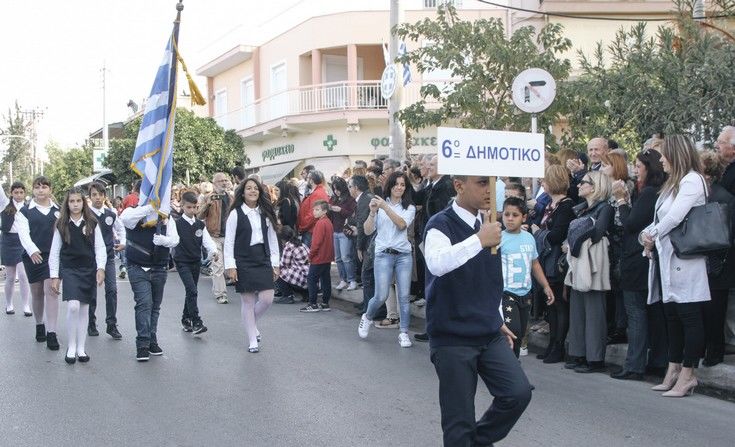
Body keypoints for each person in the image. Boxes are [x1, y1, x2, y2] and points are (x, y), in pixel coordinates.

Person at [423, 174, 531, 446]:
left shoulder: (490, 226)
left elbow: (489, 279)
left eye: (492, 184)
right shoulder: (440, 224)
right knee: (458, 423)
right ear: (459, 186)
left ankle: (477, 441)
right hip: (452, 338)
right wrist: (478, 240)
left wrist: (495, 319)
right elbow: (436, 264)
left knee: (517, 393)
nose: (490, 190)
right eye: (482, 183)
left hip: (487, 332)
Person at [641, 135, 709, 397]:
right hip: (666, 257)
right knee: (672, 316)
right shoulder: (673, 184)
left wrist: (652, 234)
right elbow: (658, 218)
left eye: (664, 155)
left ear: (675, 154)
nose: (661, 160)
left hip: (686, 260)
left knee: (689, 316)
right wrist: (645, 236)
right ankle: (673, 369)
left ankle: (689, 374)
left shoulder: (693, 180)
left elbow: (675, 217)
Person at [610, 149, 667, 380]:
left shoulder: (650, 193)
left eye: (638, 165)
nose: (635, 169)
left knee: (636, 312)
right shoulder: (654, 192)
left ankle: (634, 365)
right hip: (643, 258)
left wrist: (622, 200)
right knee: (651, 312)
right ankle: (656, 361)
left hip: (637, 259)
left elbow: (630, 224)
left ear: (648, 167)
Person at [357, 171, 416, 348]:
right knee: (381, 295)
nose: (399, 187)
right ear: (390, 186)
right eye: (396, 184)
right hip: (383, 254)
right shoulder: (379, 204)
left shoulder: (409, 207)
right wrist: (373, 212)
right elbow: (368, 230)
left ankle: (404, 333)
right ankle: (367, 317)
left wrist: (385, 208)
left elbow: (401, 225)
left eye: (403, 185)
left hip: (403, 255)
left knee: (404, 296)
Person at [48, 187, 106, 364]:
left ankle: (81, 348)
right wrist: (55, 276)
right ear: (67, 203)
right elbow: (54, 251)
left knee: (84, 309)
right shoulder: (61, 224)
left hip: (87, 269)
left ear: (83, 202)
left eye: (78, 201)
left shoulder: (92, 222)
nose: (75, 204)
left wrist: (100, 268)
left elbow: (100, 247)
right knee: (73, 306)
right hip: (70, 269)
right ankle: (71, 346)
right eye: (72, 201)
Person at [564, 170, 614, 373]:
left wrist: (573, 241)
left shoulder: (605, 208)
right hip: (579, 262)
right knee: (578, 311)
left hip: (594, 264)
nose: (578, 185)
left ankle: (594, 358)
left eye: (583, 182)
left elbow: (597, 233)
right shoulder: (584, 209)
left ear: (595, 186)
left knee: (594, 312)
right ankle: (579, 354)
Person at [224, 178, 280, 353]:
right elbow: (229, 242)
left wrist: (275, 263)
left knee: (267, 299)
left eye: (255, 188)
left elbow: (272, 239)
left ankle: (251, 323)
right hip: (243, 260)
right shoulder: (235, 214)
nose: (253, 191)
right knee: (248, 302)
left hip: (262, 258)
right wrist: (231, 266)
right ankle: (252, 340)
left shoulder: (265, 212)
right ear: (242, 192)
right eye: (249, 188)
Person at [120, 202, 180, 362]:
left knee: (155, 306)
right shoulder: (132, 212)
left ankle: (152, 339)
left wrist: (163, 241)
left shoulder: (166, 216)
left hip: (159, 266)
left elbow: (175, 239)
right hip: (137, 266)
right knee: (144, 303)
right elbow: (125, 219)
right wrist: (149, 208)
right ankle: (142, 344)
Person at [500, 197, 555, 358]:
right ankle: (507, 363)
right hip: (506, 293)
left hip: (525, 294)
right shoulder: (498, 238)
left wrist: (545, 286)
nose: (509, 218)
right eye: (506, 214)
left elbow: (535, 263)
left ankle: (514, 363)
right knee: (512, 330)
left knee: (521, 332)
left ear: (524, 217)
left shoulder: (529, 238)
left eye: (515, 215)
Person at [532, 165, 575, 363]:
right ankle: (552, 344)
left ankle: (558, 346)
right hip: (546, 258)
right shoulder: (550, 204)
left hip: (556, 261)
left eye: (545, 179)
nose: (542, 183)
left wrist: (537, 231)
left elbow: (557, 235)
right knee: (551, 304)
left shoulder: (566, 206)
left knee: (558, 303)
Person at [413, 155, 457, 342]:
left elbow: (442, 215)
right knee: (433, 285)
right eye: (427, 164)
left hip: (439, 240)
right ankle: (434, 327)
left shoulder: (445, 186)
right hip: (428, 238)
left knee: (439, 286)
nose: (428, 167)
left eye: (432, 164)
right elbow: (417, 199)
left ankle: (439, 328)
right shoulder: (431, 184)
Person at [16, 176, 61, 350]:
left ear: (50, 189)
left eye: (44, 187)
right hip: (33, 256)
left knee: (51, 291)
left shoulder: (58, 210)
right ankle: (39, 324)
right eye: (37, 187)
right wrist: (32, 250)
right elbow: (23, 234)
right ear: (33, 190)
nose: (41, 190)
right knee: (37, 293)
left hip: (53, 256)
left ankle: (52, 332)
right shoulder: (25, 211)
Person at [699, 151, 734, 368]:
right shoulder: (710, 194)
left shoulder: (722, 198)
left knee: (714, 309)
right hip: (711, 260)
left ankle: (714, 349)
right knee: (709, 308)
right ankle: (709, 347)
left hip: (719, 261)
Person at [601, 152, 634, 345]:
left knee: (620, 286)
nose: (604, 168)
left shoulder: (624, 186)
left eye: (607, 165)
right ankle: (615, 325)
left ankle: (621, 327)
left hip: (620, 240)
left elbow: (623, 216)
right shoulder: (609, 187)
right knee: (614, 287)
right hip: (611, 241)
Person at [85, 182, 125, 339]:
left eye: (100, 194)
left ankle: (111, 324)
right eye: (94, 195)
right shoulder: (86, 214)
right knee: (91, 292)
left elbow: (121, 229)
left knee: (112, 290)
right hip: (90, 258)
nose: (97, 198)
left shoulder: (110, 214)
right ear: (90, 197)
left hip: (108, 257)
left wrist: (123, 242)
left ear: (104, 196)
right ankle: (90, 322)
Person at [175, 191, 218, 335]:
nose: (192, 210)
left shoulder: (200, 224)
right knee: (192, 290)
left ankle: (185, 319)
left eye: (195, 207)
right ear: (182, 206)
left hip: (195, 262)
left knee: (191, 291)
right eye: (189, 207)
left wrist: (213, 252)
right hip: (182, 262)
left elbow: (207, 241)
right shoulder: (176, 224)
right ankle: (196, 321)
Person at [198, 172, 232, 304]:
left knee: (226, 266)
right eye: (220, 181)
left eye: (225, 180)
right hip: (213, 236)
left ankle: (218, 288)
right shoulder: (207, 198)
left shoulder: (231, 197)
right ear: (214, 184)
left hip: (228, 237)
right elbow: (200, 216)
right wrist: (208, 204)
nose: (224, 183)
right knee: (218, 266)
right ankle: (221, 294)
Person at [0, 181, 31, 317]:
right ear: (11, 193)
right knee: (11, 276)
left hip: (22, 241)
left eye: (21, 192)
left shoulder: (28, 207)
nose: (18, 195)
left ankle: (26, 305)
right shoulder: (5, 204)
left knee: (23, 275)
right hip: (8, 241)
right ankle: (9, 304)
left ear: (24, 193)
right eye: (16, 192)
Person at [300, 201, 334, 312]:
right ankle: (325, 303)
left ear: (324, 211)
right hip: (327, 257)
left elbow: (316, 243)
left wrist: (310, 256)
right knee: (325, 280)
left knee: (311, 279)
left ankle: (313, 303)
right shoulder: (328, 222)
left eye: (317, 210)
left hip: (318, 257)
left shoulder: (320, 223)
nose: (314, 211)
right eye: (314, 209)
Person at [349, 175, 375, 313]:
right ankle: (366, 302)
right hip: (369, 242)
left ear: (356, 187)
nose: (349, 189)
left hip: (369, 243)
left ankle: (369, 308)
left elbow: (362, 225)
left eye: (350, 186)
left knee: (367, 276)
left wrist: (359, 247)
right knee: (367, 276)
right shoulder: (365, 198)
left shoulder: (365, 200)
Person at [329, 177, 357, 291]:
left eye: (338, 189)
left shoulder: (350, 199)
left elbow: (352, 214)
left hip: (345, 231)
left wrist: (339, 210)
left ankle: (352, 280)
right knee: (338, 258)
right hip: (335, 230)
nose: (336, 191)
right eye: (334, 189)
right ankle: (343, 280)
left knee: (346, 257)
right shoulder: (333, 198)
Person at [274, 226, 309, 304]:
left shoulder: (289, 246)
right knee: (290, 271)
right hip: (309, 277)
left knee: (278, 271)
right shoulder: (301, 243)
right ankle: (306, 294)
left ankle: (287, 296)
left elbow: (283, 264)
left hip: (302, 277)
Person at [297, 170, 329, 247]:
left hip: (311, 230)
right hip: (310, 229)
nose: (306, 180)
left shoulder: (317, 193)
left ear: (311, 180)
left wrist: (302, 226)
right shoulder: (317, 192)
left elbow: (313, 214)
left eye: (308, 178)